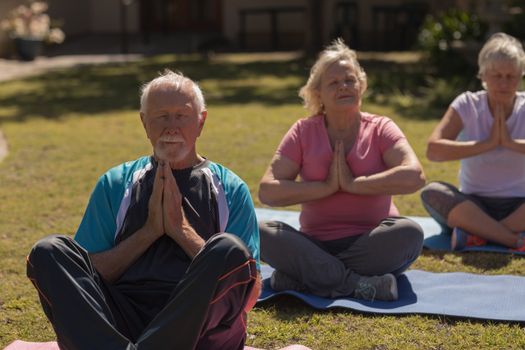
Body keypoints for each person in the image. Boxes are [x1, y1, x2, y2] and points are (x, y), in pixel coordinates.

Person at [26, 70, 261, 350]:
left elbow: (248, 291)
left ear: (201, 121)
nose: (171, 127)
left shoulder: (230, 188)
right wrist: (148, 232)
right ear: (144, 123)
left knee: (228, 249)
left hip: (198, 326)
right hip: (120, 320)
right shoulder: (116, 183)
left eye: (181, 116)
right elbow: (89, 275)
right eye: (161, 116)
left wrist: (180, 230)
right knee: (50, 251)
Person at [258, 39, 425, 302]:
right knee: (260, 232)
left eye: (349, 80)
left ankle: (306, 277)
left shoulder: (381, 127)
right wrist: (325, 187)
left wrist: (354, 184)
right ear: (318, 94)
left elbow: (415, 176)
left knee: (409, 234)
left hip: (372, 242)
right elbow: (267, 190)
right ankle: (358, 285)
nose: (343, 87)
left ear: (361, 85)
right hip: (315, 243)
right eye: (333, 83)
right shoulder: (303, 131)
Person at [421, 32, 525, 251]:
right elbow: (433, 150)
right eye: (497, 75)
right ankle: (512, 239)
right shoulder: (467, 104)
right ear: (483, 76)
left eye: (511, 76)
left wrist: (509, 143)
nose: (504, 83)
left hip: (520, 206)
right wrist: (487, 144)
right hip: (473, 204)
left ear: (520, 76)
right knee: (432, 192)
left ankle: (480, 233)